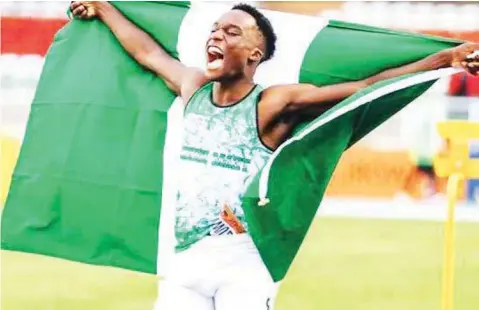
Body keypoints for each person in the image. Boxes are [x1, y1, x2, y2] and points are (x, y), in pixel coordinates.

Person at [70, 2, 478, 309]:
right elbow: (148, 55)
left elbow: (364, 86)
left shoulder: (272, 103)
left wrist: (444, 59)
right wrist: (104, 6)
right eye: (214, 30)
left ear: (254, 55)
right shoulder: (192, 88)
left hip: (244, 264)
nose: (216, 36)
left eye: (232, 32)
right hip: (185, 261)